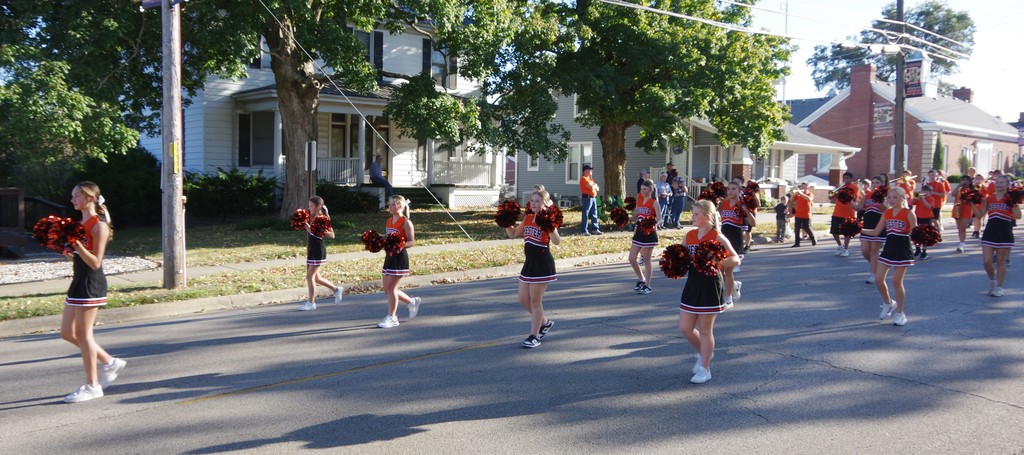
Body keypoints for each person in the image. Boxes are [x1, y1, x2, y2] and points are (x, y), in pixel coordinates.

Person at [60, 181, 127, 403]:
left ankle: (93, 386)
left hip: (91, 283)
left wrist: (77, 243)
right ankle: (109, 361)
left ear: (89, 198)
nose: (72, 200)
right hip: (78, 282)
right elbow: (78, 257)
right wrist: (65, 249)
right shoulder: (80, 223)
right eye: (72, 197)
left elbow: (96, 262)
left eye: (76, 196)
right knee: (67, 333)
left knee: (84, 335)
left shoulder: (99, 226)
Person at [678, 200, 741, 384]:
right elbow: (681, 256)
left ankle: (705, 369)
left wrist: (718, 263)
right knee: (685, 328)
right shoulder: (689, 236)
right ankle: (705, 352)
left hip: (710, 286)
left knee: (705, 330)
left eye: (696, 214)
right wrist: (674, 264)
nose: (692, 217)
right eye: (693, 213)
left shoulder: (717, 236)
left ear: (707, 216)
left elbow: (735, 259)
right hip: (692, 286)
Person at [505, 190, 560, 348]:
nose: (533, 203)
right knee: (523, 300)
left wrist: (552, 227)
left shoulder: (546, 220)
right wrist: (506, 222)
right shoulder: (528, 218)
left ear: (545, 204)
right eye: (532, 201)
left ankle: (534, 336)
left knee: (535, 301)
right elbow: (513, 234)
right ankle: (545, 323)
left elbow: (557, 241)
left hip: (542, 264)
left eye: (537, 201)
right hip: (529, 264)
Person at [861, 187, 916, 326]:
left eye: (895, 197)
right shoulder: (887, 213)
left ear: (903, 198)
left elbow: (916, 232)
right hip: (889, 248)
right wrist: (857, 228)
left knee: (896, 282)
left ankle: (900, 313)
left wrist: (925, 239)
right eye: (889, 197)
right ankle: (889, 303)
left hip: (903, 249)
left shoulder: (909, 213)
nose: (891, 200)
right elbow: (875, 232)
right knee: (879, 279)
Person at [376, 195, 422, 328]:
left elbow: (411, 241)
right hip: (389, 257)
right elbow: (388, 238)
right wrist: (379, 242)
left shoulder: (406, 222)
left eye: (392, 205)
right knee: (387, 289)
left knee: (391, 289)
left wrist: (398, 246)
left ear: (400, 206)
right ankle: (411, 301)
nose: (390, 207)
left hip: (399, 257)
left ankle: (392, 317)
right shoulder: (389, 221)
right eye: (389, 204)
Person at [977, 174, 1021, 297]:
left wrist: (1014, 203)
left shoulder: (1010, 199)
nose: (999, 184)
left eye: (1002, 182)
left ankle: (1000, 287)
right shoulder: (989, 198)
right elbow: (980, 215)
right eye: (997, 182)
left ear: (1007, 185)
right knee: (987, 261)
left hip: (1004, 231)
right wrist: (970, 202)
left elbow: (1018, 216)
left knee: (1001, 261)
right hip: (990, 231)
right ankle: (993, 280)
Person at [298, 197, 343, 311]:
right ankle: (336, 289)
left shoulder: (323, 218)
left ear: (318, 206)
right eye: (308, 206)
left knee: (309, 277)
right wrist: (304, 225)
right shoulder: (314, 218)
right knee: (316, 278)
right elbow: (313, 232)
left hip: (318, 250)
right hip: (312, 249)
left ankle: (311, 303)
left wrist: (322, 230)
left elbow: (332, 235)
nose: (309, 208)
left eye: (311, 206)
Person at [718, 181, 754, 305]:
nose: (730, 191)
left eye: (733, 189)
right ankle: (733, 285)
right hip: (722, 239)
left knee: (728, 271)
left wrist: (747, 211)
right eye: (728, 189)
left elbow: (753, 223)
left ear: (739, 191)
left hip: (735, 241)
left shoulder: (741, 205)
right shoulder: (723, 204)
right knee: (720, 270)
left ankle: (728, 298)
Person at [854, 175, 888, 284]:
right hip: (867, 225)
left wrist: (880, 199)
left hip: (879, 224)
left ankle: (873, 274)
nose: (874, 185)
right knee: (864, 251)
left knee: (874, 250)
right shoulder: (867, 195)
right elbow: (859, 208)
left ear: (882, 184)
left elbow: (886, 209)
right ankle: (877, 267)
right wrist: (848, 199)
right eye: (873, 183)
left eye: (877, 183)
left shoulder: (886, 196)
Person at [629, 180, 662, 295]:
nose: (642, 191)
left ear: (650, 190)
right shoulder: (639, 201)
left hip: (649, 233)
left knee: (647, 260)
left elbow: (660, 219)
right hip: (639, 232)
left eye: (645, 189)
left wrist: (653, 225)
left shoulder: (654, 203)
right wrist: (624, 218)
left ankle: (648, 285)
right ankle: (641, 279)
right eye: (641, 189)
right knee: (632, 258)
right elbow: (635, 217)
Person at [829, 171, 861, 257]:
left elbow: (855, 199)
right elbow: (830, 196)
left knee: (847, 233)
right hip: (837, 212)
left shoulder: (855, 187)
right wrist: (836, 190)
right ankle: (840, 246)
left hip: (849, 213)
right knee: (834, 231)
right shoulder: (841, 187)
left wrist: (844, 191)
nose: (845, 180)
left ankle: (846, 249)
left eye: (847, 178)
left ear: (851, 179)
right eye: (844, 178)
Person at [910, 185, 935, 260]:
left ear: (930, 192)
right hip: (918, 218)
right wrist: (915, 198)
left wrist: (923, 199)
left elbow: (929, 206)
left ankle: (924, 251)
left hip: (927, 218)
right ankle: (917, 249)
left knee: (925, 236)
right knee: (916, 235)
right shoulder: (919, 199)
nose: (924, 193)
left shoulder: (931, 199)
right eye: (923, 191)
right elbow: (910, 203)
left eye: (926, 191)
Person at [951, 178, 975, 253]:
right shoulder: (959, 188)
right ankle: (962, 242)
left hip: (967, 209)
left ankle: (962, 244)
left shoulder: (972, 189)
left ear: (970, 182)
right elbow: (952, 194)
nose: (965, 182)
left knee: (962, 228)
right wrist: (959, 185)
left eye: (967, 180)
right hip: (957, 209)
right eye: (963, 180)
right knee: (959, 227)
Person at [791, 182, 816, 247]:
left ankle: (813, 239)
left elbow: (809, 199)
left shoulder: (810, 194)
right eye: (801, 187)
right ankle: (797, 243)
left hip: (806, 214)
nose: (802, 188)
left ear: (808, 187)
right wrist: (794, 194)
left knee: (807, 228)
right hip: (798, 214)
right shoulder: (798, 195)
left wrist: (801, 194)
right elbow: (791, 200)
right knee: (797, 229)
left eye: (804, 187)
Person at [579, 163, 602, 235]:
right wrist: (593, 186)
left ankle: (595, 229)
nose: (591, 172)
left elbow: (597, 188)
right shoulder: (583, 179)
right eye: (590, 170)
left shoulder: (591, 179)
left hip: (593, 198)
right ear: (585, 171)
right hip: (587, 198)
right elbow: (591, 187)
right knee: (585, 214)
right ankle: (584, 231)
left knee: (594, 214)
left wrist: (594, 185)